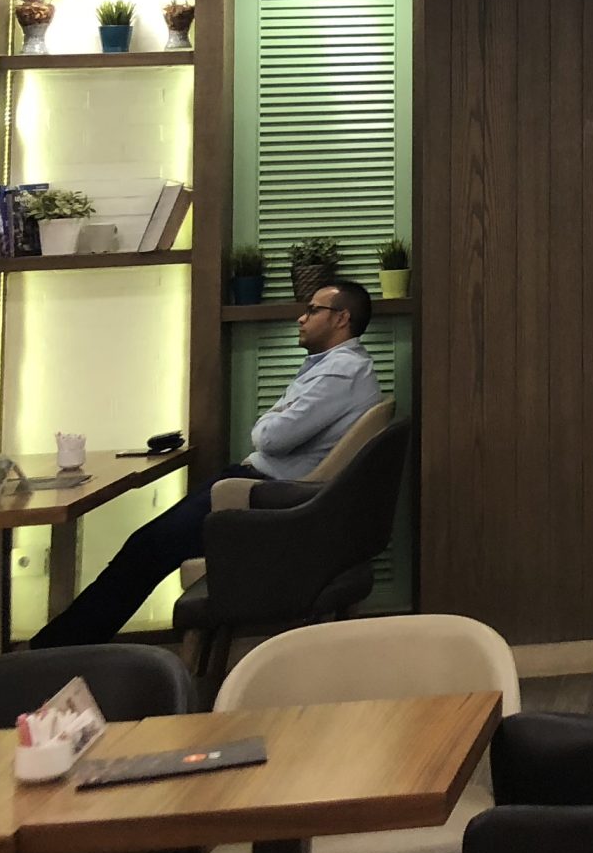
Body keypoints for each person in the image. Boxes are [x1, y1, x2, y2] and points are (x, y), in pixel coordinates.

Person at [31, 277, 382, 647]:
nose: (301, 318)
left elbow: (269, 438)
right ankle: (61, 644)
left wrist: (273, 418)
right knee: (145, 545)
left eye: (313, 310)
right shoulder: (334, 367)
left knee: (147, 547)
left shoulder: (340, 373)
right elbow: (274, 428)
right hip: (258, 488)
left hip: (264, 497)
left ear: (341, 318)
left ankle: (54, 649)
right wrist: (277, 417)